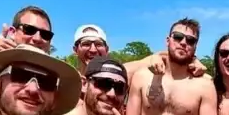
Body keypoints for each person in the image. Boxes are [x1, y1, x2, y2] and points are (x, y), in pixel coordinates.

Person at [126, 18, 218, 115]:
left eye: (190, 40)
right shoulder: (141, 77)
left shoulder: (205, 84)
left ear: (195, 47)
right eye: (178, 37)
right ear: (168, 40)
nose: (183, 43)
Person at [73, 23, 208, 82]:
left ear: (107, 50)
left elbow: (162, 55)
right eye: (85, 44)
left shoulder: (119, 74)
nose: (92, 50)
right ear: (75, 50)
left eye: (98, 44)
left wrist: (193, 60)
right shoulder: (66, 80)